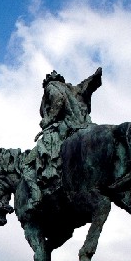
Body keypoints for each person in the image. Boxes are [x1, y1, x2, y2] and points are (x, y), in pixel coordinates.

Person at [22, 67, 103, 208]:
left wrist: (48, 120)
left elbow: (58, 100)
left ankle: (39, 192)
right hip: (81, 124)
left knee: (29, 162)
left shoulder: (51, 87)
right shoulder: (72, 89)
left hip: (64, 126)